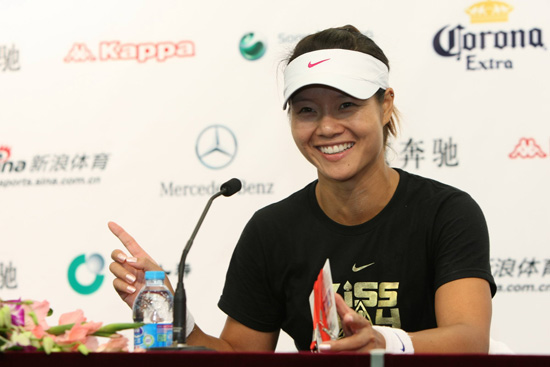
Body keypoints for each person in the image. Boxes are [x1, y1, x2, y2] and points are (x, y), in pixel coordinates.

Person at [109, 25, 496, 354]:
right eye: (307, 110)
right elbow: (238, 359)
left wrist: (385, 343)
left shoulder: (446, 213)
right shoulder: (272, 230)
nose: (326, 128)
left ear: (385, 106)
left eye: (346, 105)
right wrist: (167, 312)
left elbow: (469, 338)